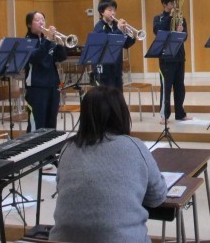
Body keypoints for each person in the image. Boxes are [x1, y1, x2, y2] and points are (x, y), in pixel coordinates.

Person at [49, 85, 167, 243]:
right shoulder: (134, 146)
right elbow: (157, 197)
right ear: (121, 114)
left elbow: (63, 189)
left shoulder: (68, 148)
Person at [24, 11, 67, 132]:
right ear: (29, 24)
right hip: (37, 87)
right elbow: (36, 57)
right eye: (37, 20)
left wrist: (60, 44)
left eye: (43, 19)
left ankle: (50, 144)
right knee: (38, 124)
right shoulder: (27, 42)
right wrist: (48, 40)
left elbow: (60, 58)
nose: (41, 22)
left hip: (53, 85)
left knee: (51, 123)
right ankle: (35, 144)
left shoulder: (47, 40)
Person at [153, 0, 191, 123]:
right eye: (171, 3)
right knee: (166, 87)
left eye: (175, 2)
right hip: (166, 58)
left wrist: (180, 33)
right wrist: (169, 17)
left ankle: (180, 113)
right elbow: (158, 31)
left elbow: (185, 37)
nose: (175, 5)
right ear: (164, 4)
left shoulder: (181, 19)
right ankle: (164, 115)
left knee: (180, 87)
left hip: (179, 56)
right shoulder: (158, 18)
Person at [91, 0, 136, 90]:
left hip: (117, 69)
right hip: (104, 71)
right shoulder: (99, 27)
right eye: (109, 10)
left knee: (118, 96)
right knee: (106, 97)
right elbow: (108, 42)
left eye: (114, 10)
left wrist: (131, 35)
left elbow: (126, 45)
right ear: (102, 12)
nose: (113, 13)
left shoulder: (116, 25)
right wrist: (119, 30)